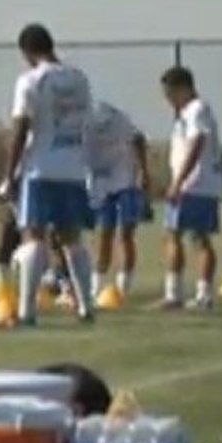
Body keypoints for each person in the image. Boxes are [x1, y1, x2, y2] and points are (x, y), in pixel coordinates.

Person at [0, 23, 95, 325]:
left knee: (33, 235)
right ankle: (86, 306)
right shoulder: (79, 79)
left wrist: (9, 175)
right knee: (71, 237)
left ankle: (27, 311)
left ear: (26, 52)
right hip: (74, 167)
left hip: (41, 167)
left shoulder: (30, 81)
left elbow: (20, 128)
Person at [160, 66, 222, 310]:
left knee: (176, 235)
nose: (169, 100)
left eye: (170, 94)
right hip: (200, 184)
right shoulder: (188, 113)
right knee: (197, 238)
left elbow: (197, 143)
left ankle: (175, 294)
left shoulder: (197, 109)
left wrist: (179, 181)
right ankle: (201, 295)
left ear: (183, 88)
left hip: (193, 185)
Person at [85, 101, 151, 299]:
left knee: (125, 234)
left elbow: (138, 139)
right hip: (100, 184)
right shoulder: (79, 123)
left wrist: (143, 171)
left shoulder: (118, 119)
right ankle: (97, 287)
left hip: (125, 182)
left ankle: (123, 288)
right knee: (103, 234)